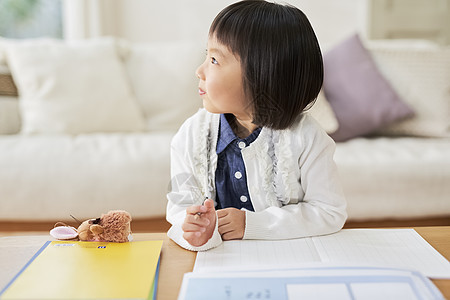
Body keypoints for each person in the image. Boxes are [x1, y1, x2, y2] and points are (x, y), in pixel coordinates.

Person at [166, 0, 347, 251]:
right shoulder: (191, 135)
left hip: (287, 259)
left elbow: (329, 212)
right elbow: (178, 209)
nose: (199, 70)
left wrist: (252, 224)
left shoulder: (306, 137)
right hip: (219, 263)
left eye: (215, 60)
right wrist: (196, 231)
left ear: (262, 74)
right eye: (205, 57)